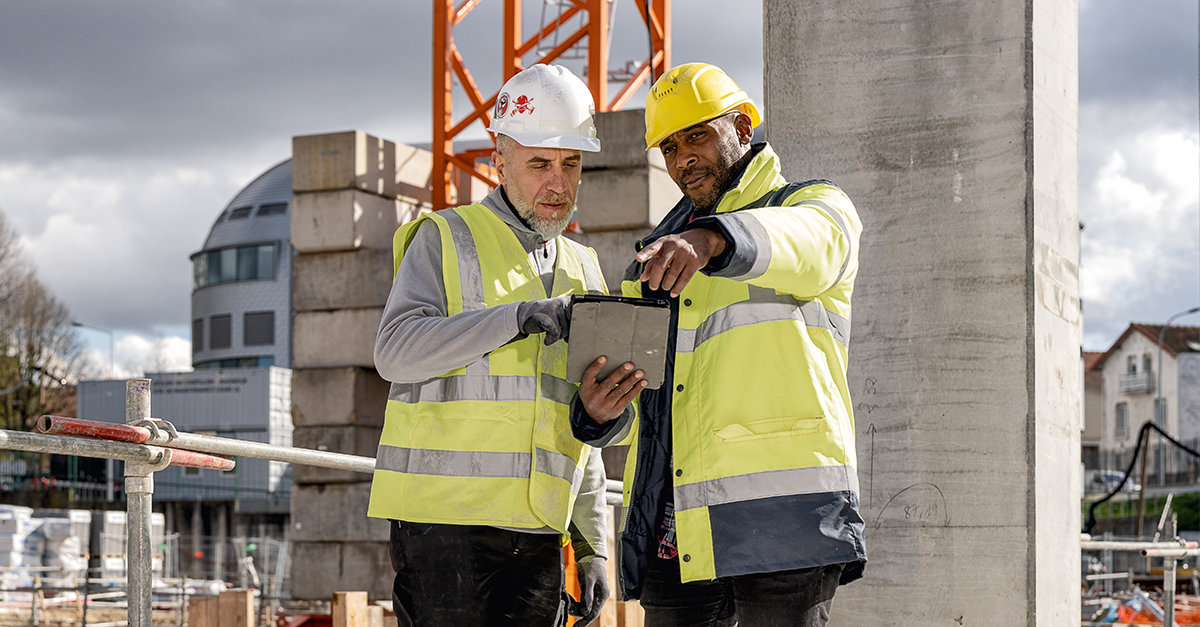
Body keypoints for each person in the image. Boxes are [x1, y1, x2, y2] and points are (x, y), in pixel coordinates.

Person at [571, 62, 868, 627]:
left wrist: (712, 240)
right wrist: (601, 412)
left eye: (698, 135)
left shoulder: (814, 208)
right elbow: (654, 408)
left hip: (784, 524)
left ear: (743, 126)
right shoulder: (653, 259)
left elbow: (812, 244)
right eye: (670, 146)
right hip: (675, 532)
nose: (683, 157)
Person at [368, 64, 616, 627]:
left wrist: (594, 541)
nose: (559, 182)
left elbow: (584, 432)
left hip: (539, 534)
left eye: (571, 164)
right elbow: (396, 352)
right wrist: (519, 317)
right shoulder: (445, 238)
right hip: (443, 530)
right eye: (539, 164)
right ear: (499, 162)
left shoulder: (584, 267)